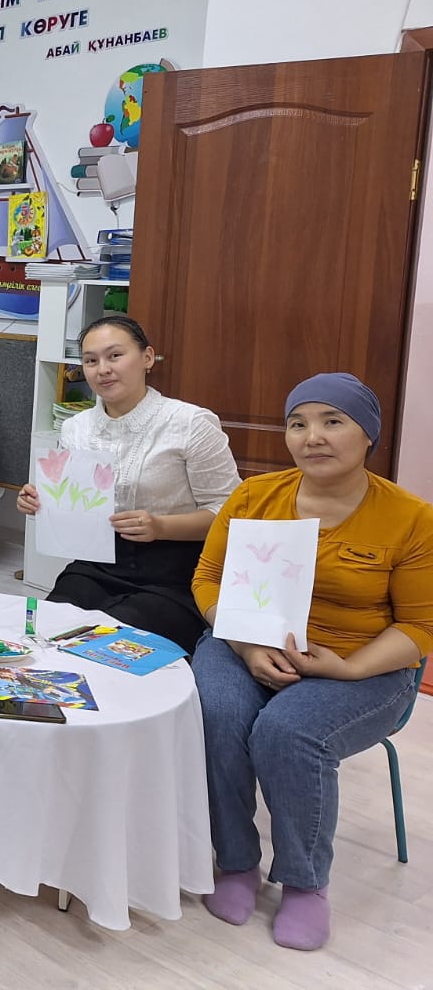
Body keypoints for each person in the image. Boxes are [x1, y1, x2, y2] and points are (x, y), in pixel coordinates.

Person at [191, 373, 432, 949]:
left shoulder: (410, 517)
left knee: (287, 730)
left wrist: (347, 668)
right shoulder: (254, 497)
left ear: (368, 434)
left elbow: (419, 627)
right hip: (245, 640)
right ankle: (235, 861)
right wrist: (247, 644)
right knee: (216, 711)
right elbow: (208, 579)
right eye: (297, 424)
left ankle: (304, 883)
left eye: (332, 421)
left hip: (361, 662)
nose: (312, 437)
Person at [16, 315, 240, 651]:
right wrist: (41, 502)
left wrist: (161, 526)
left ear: (147, 358)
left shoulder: (190, 423)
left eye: (115, 356)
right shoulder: (76, 428)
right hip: (97, 565)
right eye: (91, 361)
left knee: (107, 646)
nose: (103, 369)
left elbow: (231, 514)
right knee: (47, 634)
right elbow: (76, 504)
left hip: (174, 573)